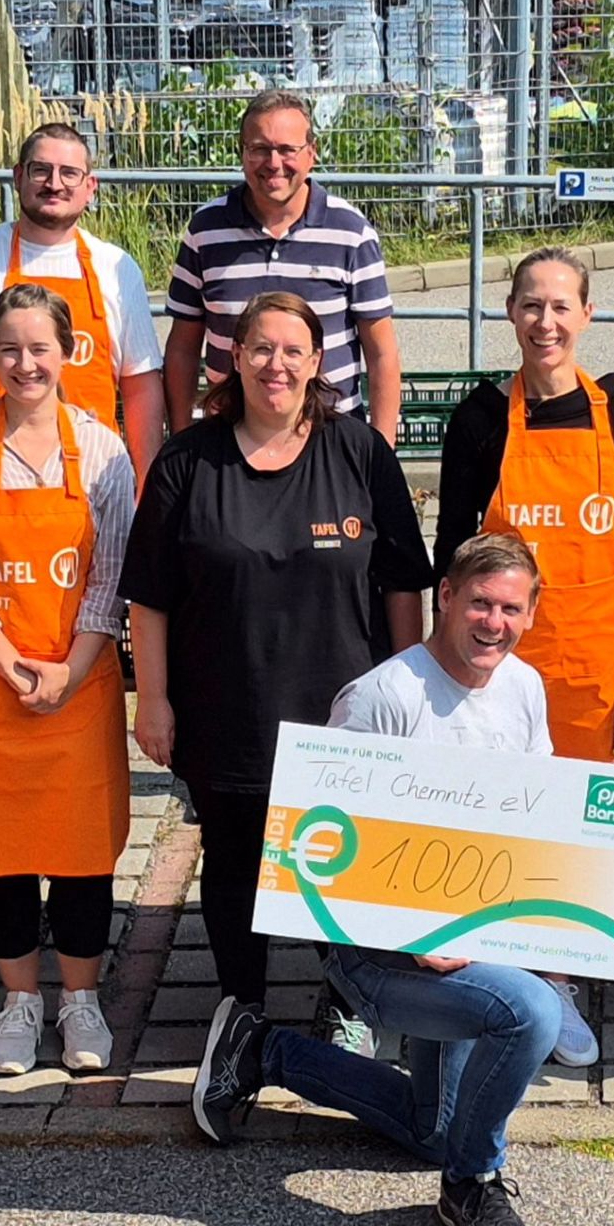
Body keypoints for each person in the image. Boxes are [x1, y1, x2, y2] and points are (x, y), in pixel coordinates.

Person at [191, 534, 614, 1226]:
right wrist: (407, 931)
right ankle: (471, 1187)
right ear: (444, 597)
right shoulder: (383, 695)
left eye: (511, 608)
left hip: (470, 939)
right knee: (532, 1013)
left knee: (433, 1126)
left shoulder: (524, 687)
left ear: (531, 614)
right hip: (377, 954)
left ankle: (260, 1049)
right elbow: (322, 850)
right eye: (479, 601)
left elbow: (532, 812)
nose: (493, 622)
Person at [122, 292, 431, 1036]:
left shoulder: (358, 450)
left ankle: (348, 1002)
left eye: (293, 350)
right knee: (233, 864)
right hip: (228, 710)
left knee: (342, 863)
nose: (276, 364)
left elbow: (400, 584)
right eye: (261, 348)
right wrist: (153, 699)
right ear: (234, 357)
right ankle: (244, 1008)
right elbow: (150, 598)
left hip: (342, 717)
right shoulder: (187, 459)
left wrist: (413, 687)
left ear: (317, 363)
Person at [431, 245, 614, 1070]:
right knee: (495, 812)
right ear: (511, 313)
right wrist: (446, 657)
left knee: (584, 825)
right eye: (531, 304)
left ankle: (557, 977)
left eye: (561, 305)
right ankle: (493, 972)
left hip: (597, 657)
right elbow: (451, 552)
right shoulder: (481, 417)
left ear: (587, 315)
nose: (546, 321)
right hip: (497, 656)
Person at [0, 283, 137, 1077]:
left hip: (80, 685)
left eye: (40, 347)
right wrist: (9, 662)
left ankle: (81, 999)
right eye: (8, 348)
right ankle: (20, 1001)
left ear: (69, 351)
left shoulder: (104, 449)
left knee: (80, 855)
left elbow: (113, 572)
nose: (24, 363)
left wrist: (71, 669)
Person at [0, 122, 166, 481]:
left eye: (69, 174)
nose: (54, 184)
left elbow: (140, 383)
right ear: (18, 176)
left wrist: (146, 479)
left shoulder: (117, 269)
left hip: (94, 473)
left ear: (90, 188)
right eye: (41, 170)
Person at [163, 91, 402, 440]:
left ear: (311, 154)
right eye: (259, 148)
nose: (273, 163)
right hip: (229, 436)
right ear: (242, 154)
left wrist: (382, 451)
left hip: (328, 435)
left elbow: (381, 354)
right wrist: (182, 440)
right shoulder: (206, 231)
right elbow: (183, 348)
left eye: (287, 149)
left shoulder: (351, 233)